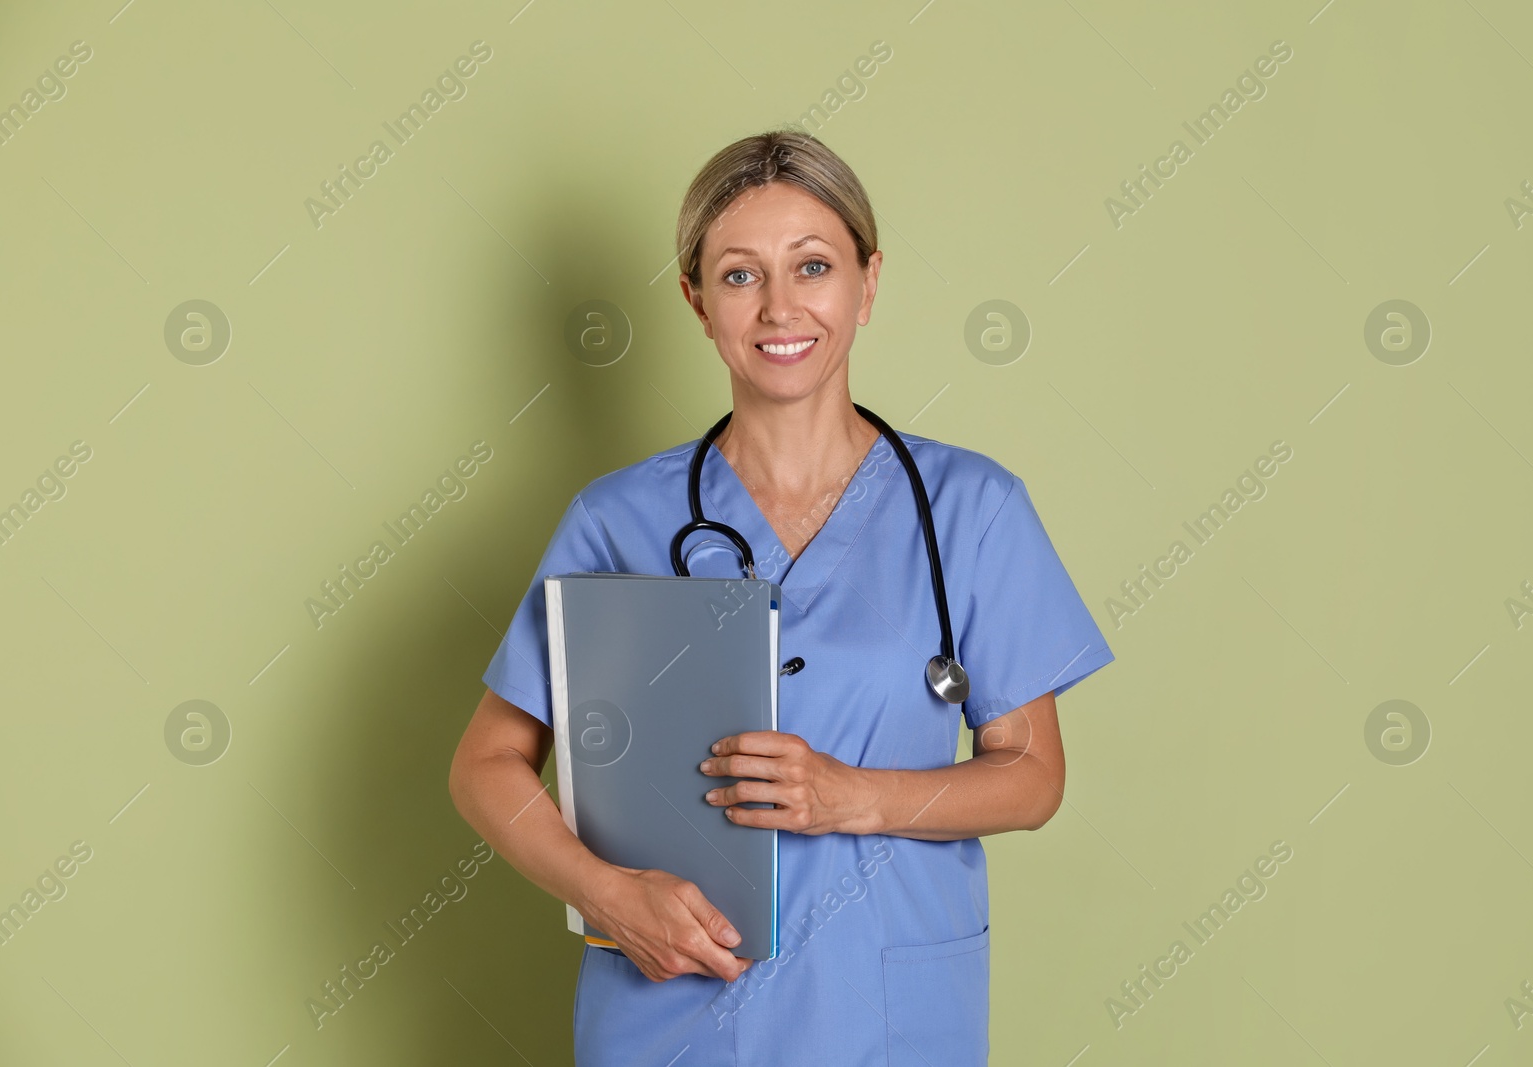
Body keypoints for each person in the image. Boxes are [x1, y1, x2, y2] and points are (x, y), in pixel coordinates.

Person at [448, 128, 1115, 1065]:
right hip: (668, 1010)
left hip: (885, 1012)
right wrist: (605, 893)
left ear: (868, 283)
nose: (778, 307)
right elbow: (485, 764)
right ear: (695, 300)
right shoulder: (616, 519)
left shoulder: (972, 510)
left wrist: (854, 797)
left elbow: (1033, 777)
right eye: (738, 275)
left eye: (812, 265)